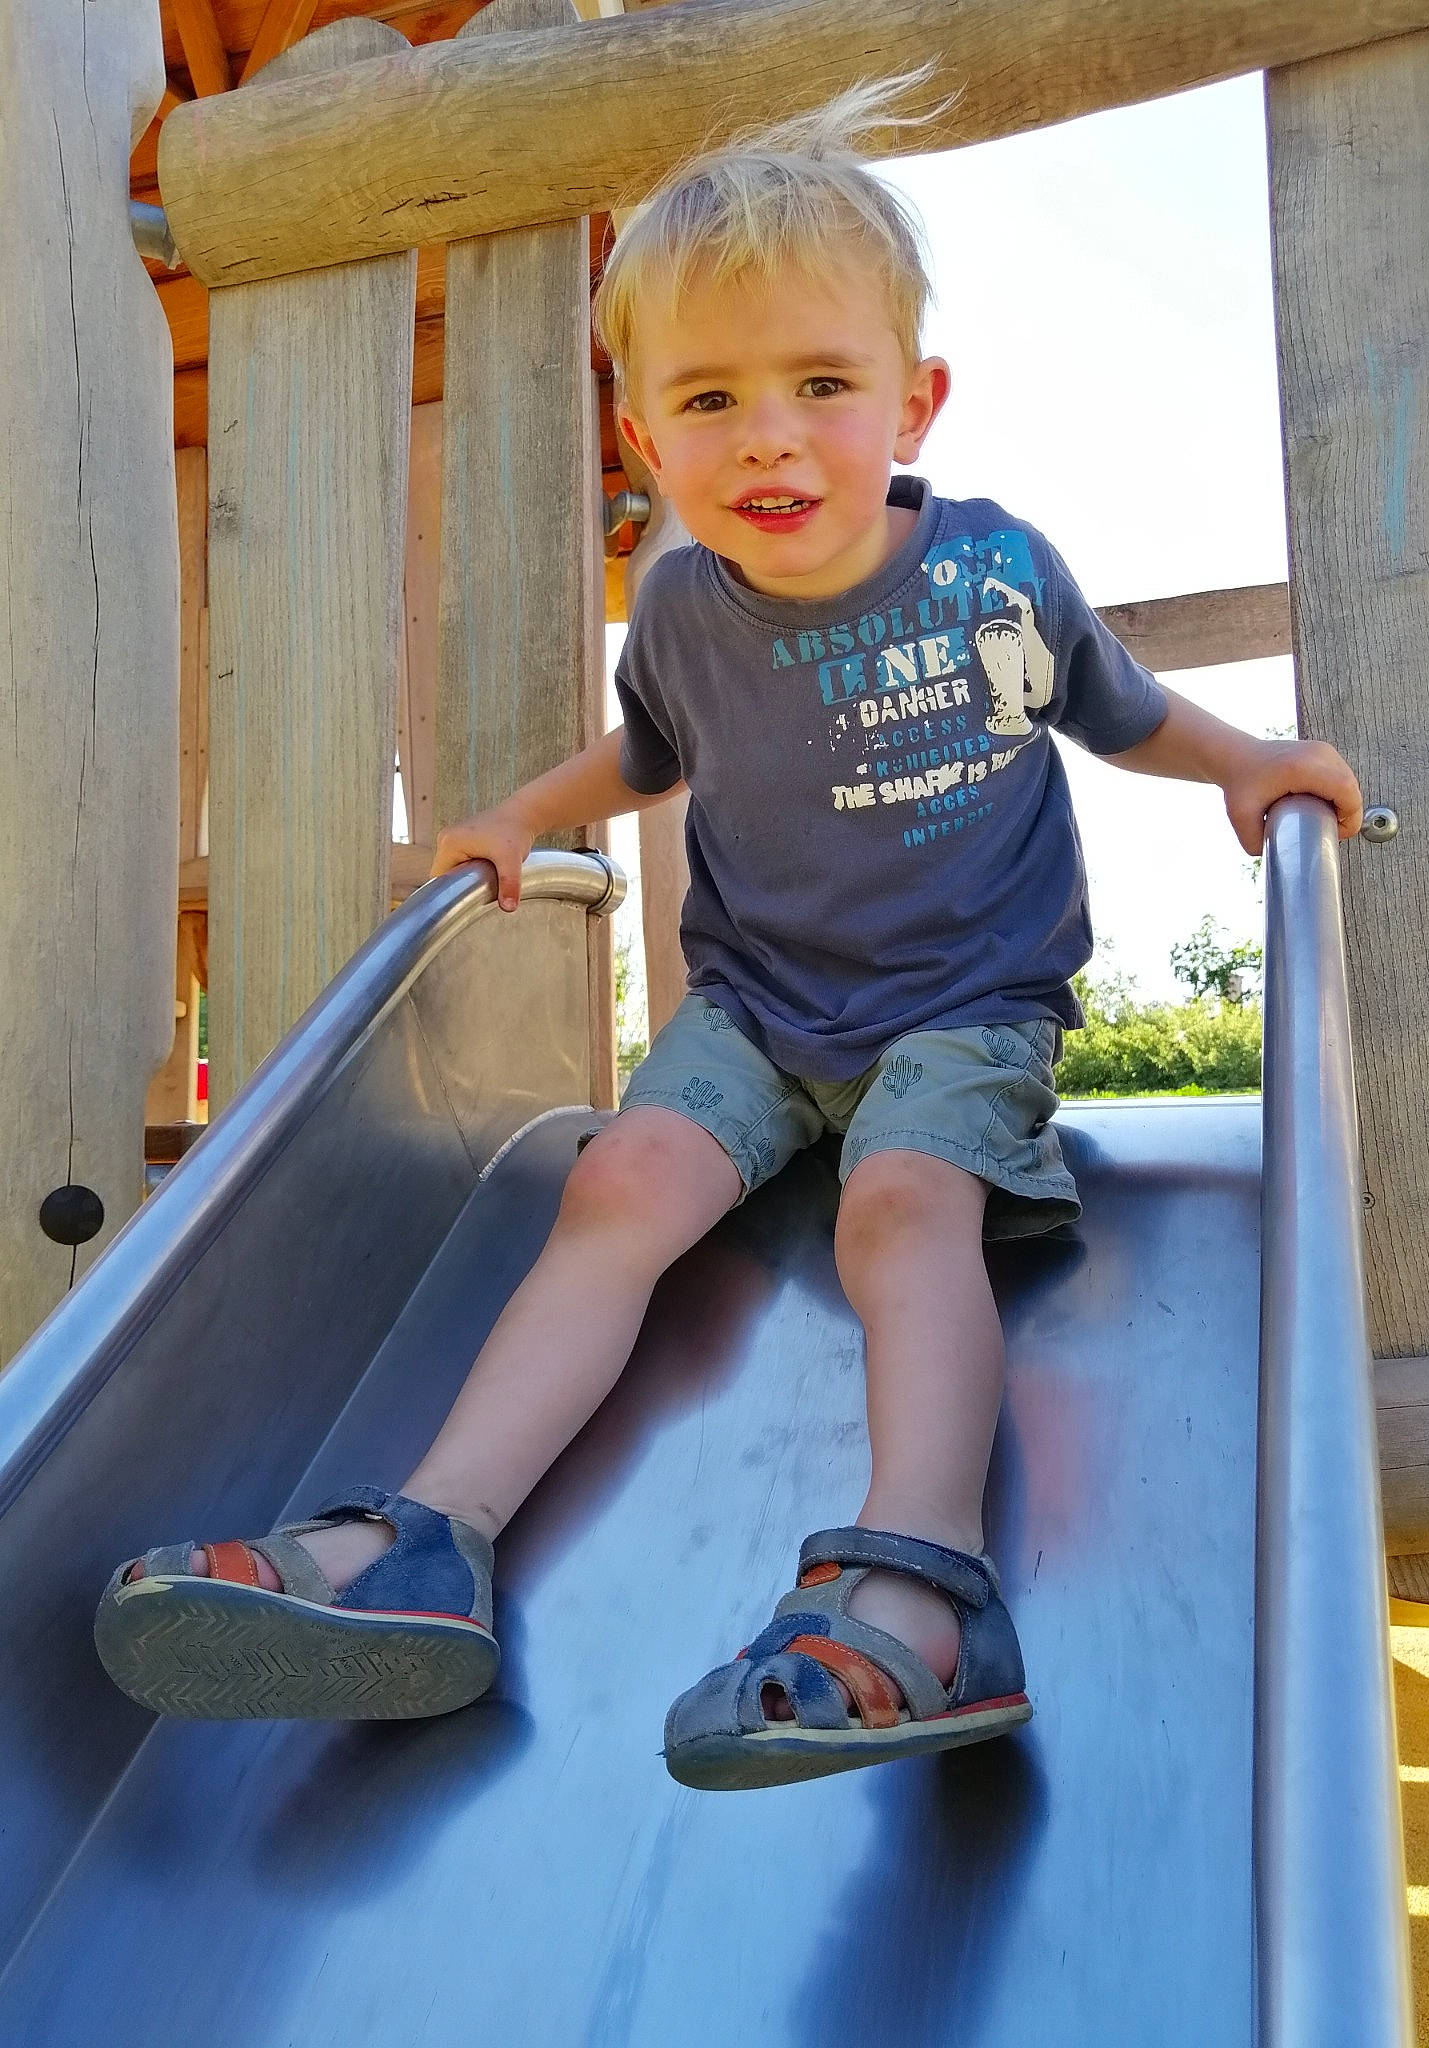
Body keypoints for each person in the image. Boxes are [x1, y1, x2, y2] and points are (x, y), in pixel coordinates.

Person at [95, 77, 1362, 1789]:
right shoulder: (684, 606)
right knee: (616, 1184)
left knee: (902, 1209)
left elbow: (1115, 709)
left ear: (913, 399)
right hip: (760, 1008)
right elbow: (651, 751)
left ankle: (923, 1587)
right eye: (712, 398)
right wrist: (529, 819)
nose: (768, 436)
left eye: (820, 386)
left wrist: (1251, 766)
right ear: (645, 440)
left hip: (962, 1008)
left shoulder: (994, 569)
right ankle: (428, 1543)